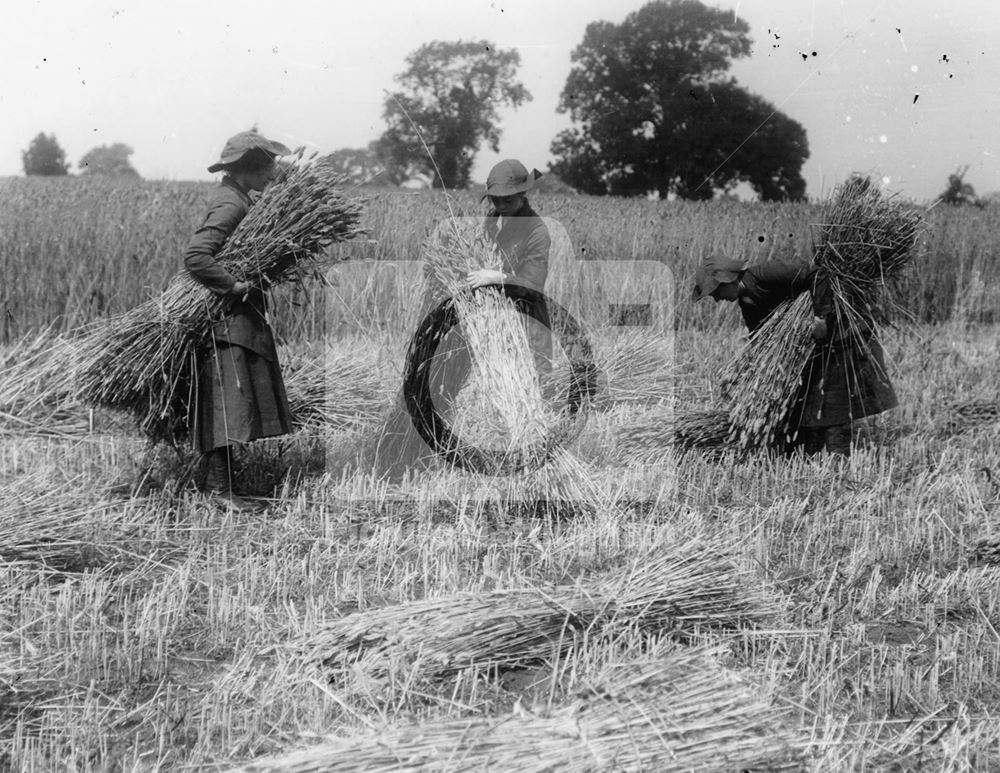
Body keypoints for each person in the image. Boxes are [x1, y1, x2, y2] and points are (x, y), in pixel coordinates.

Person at [184, 130, 295, 510]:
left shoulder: (239, 197)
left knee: (231, 404)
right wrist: (232, 286)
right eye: (267, 165)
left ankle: (223, 486)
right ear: (248, 169)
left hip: (232, 320)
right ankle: (219, 491)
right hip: (224, 321)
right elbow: (197, 256)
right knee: (228, 405)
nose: (272, 172)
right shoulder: (231, 204)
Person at [692, 254, 897, 455]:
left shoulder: (765, 274)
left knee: (835, 400)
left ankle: (838, 461)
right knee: (807, 400)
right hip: (813, 343)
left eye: (715, 291)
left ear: (727, 279)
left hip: (841, 331)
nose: (717, 299)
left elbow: (818, 274)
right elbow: (760, 335)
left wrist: (820, 318)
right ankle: (807, 455)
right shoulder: (747, 302)